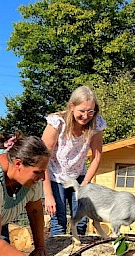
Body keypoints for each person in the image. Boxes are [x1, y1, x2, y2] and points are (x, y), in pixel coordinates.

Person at [42, 85, 106, 236]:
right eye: (82, 111)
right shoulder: (58, 123)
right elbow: (42, 157)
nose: (86, 116)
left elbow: (97, 157)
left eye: (90, 111)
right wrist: (48, 195)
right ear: (72, 107)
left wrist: (84, 186)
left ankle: (80, 255)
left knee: (82, 220)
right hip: (55, 176)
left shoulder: (96, 124)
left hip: (79, 176)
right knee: (59, 220)